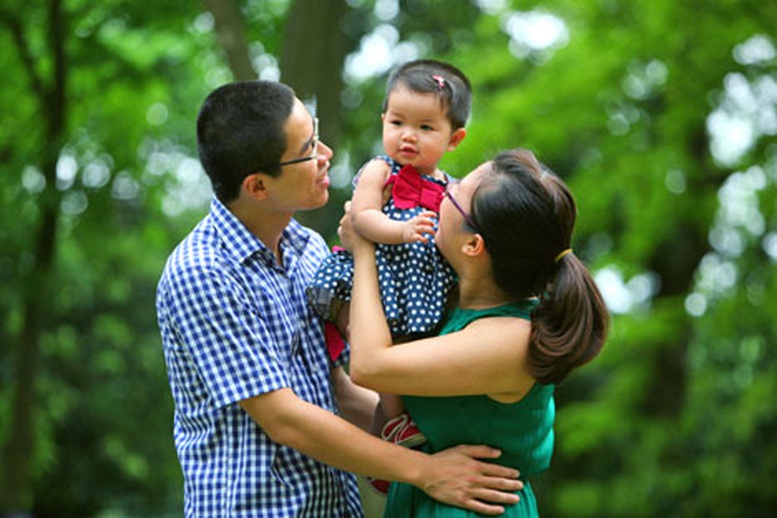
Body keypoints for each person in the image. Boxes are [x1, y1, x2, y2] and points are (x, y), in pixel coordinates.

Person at [155, 80, 525, 517]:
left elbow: (336, 390)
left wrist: (443, 440)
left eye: (315, 134)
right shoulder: (203, 272)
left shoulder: (307, 249)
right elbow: (285, 419)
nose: (326, 154)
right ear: (257, 186)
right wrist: (426, 470)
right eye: (308, 150)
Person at [345, 148, 610, 516]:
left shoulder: (510, 339)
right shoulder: (451, 306)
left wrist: (364, 247)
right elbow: (409, 418)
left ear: (473, 245)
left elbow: (369, 366)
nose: (442, 191)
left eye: (454, 191)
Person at [307, 59, 471, 452]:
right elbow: (362, 217)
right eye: (397, 123)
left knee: (410, 352)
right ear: (384, 121)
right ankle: (396, 420)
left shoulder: (455, 188)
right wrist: (400, 231)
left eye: (425, 128)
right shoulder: (380, 170)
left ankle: (401, 423)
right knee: (379, 344)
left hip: (422, 284)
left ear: (454, 139)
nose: (408, 136)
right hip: (378, 277)